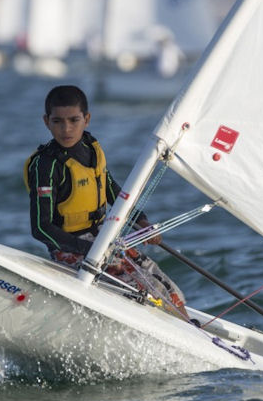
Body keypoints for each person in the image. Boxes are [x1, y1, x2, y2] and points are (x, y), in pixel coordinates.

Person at [24, 85, 187, 318]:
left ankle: (187, 325)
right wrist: (89, 250)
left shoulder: (92, 149)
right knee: (144, 293)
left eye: (74, 120)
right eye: (58, 121)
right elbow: (40, 228)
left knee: (167, 289)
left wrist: (141, 221)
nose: (66, 129)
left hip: (104, 237)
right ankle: (165, 324)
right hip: (70, 247)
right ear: (46, 121)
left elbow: (111, 190)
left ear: (86, 119)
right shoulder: (46, 165)